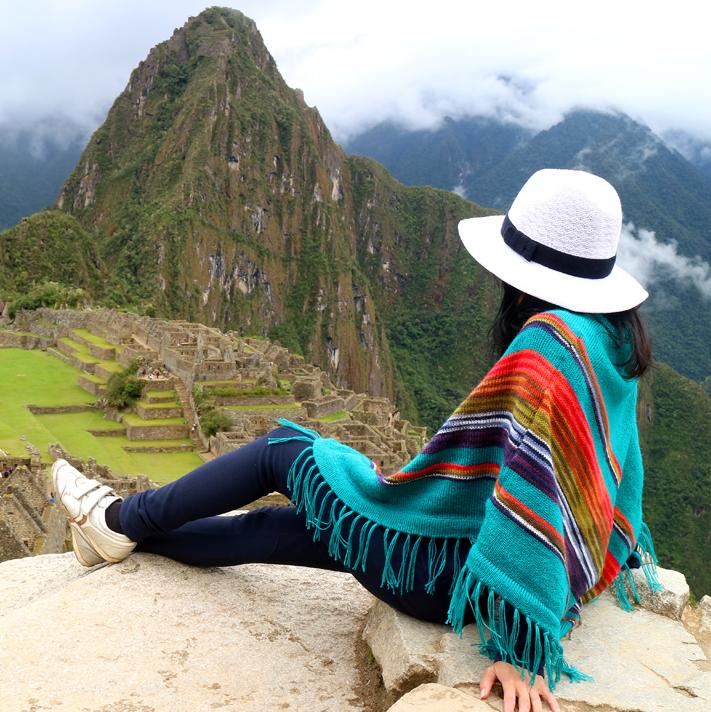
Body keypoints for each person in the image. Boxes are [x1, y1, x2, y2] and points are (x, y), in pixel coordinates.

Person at [52, 169, 659, 712]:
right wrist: (609, 559)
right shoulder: (610, 342)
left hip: (438, 571)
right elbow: (605, 474)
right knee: (278, 531)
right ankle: (132, 540)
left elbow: (540, 495)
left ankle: (116, 518)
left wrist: (518, 648)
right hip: (460, 569)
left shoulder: (548, 349)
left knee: (283, 450)